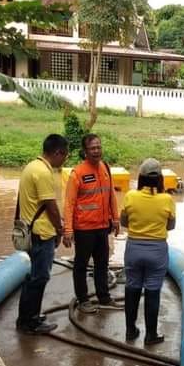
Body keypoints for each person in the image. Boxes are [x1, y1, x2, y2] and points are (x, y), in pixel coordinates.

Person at [63, 133, 123, 314]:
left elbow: (111, 195)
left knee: (102, 263)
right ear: (85, 151)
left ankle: (104, 297)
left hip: (102, 227)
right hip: (84, 229)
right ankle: (83, 300)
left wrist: (116, 218)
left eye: (98, 147)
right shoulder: (77, 173)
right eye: (92, 148)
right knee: (81, 265)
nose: (96, 151)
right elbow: (69, 203)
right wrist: (68, 230)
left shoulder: (105, 168)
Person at [15, 134, 69, 335]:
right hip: (42, 233)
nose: (64, 160)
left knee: (33, 277)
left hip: (30, 230)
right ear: (57, 152)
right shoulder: (44, 173)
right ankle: (30, 322)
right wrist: (60, 229)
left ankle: (27, 317)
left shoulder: (31, 167)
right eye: (65, 156)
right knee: (39, 278)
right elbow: (51, 206)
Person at [121, 159, 177, 345]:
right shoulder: (167, 199)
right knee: (153, 290)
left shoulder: (130, 196)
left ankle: (130, 331)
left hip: (134, 249)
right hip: (157, 251)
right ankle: (150, 335)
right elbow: (171, 226)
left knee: (132, 286)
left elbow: (124, 222)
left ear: (141, 178)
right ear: (160, 179)